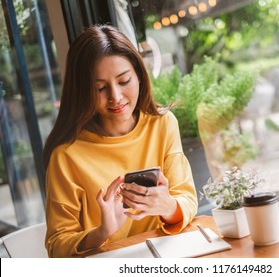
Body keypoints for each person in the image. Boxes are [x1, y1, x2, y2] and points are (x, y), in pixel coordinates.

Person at [43, 24, 198, 257]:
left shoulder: (162, 124)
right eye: (100, 88)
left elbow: (186, 197)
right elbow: (57, 245)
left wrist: (168, 207)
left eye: (124, 81)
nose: (115, 97)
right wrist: (101, 232)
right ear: (82, 91)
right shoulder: (66, 155)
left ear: (139, 75)